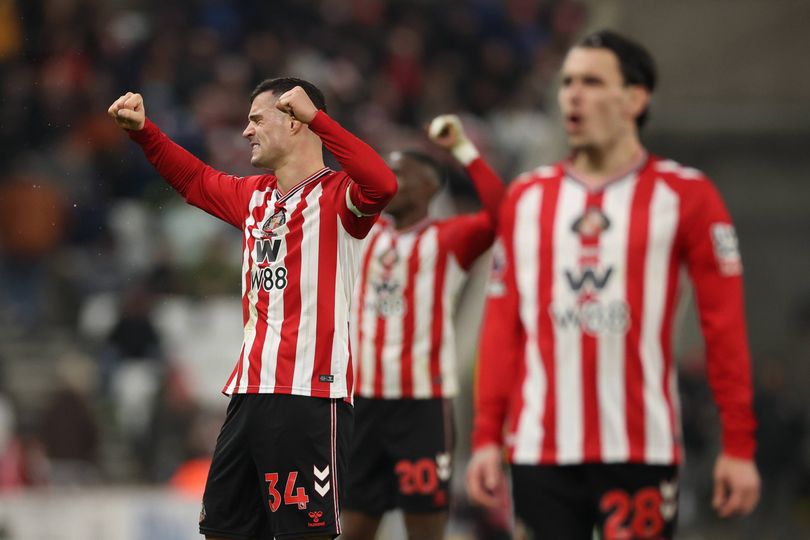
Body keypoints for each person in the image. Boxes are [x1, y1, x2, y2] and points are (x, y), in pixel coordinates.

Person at [466, 30, 761, 539]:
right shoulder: (527, 199)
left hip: (640, 448)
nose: (573, 95)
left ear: (635, 98)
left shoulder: (686, 195)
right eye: (567, 83)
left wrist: (738, 446)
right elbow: (500, 327)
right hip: (540, 449)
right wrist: (487, 436)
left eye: (592, 82)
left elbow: (724, 328)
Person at [108, 77, 397, 540]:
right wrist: (146, 132)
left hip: (308, 396)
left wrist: (321, 118)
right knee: (224, 531)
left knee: (305, 534)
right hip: (248, 394)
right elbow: (194, 180)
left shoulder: (339, 197)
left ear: (297, 123)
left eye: (257, 119)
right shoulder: (255, 197)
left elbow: (383, 183)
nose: (246, 132)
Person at [341, 115, 505, 540]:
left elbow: (503, 215)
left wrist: (463, 151)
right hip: (363, 403)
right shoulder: (364, 232)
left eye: (399, 174)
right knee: (356, 524)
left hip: (422, 406)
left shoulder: (450, 238)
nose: (387, 181)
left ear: (429, 187)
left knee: (425, 527)